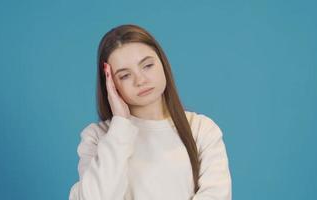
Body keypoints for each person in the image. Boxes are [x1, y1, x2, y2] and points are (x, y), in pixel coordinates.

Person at [68, 24, 232, 200]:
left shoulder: (201, 129)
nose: (141, 80)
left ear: (162, 63)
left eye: (147, 65)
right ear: (110, 84)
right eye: (125, 75)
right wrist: (120, 125)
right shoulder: (97, 137)